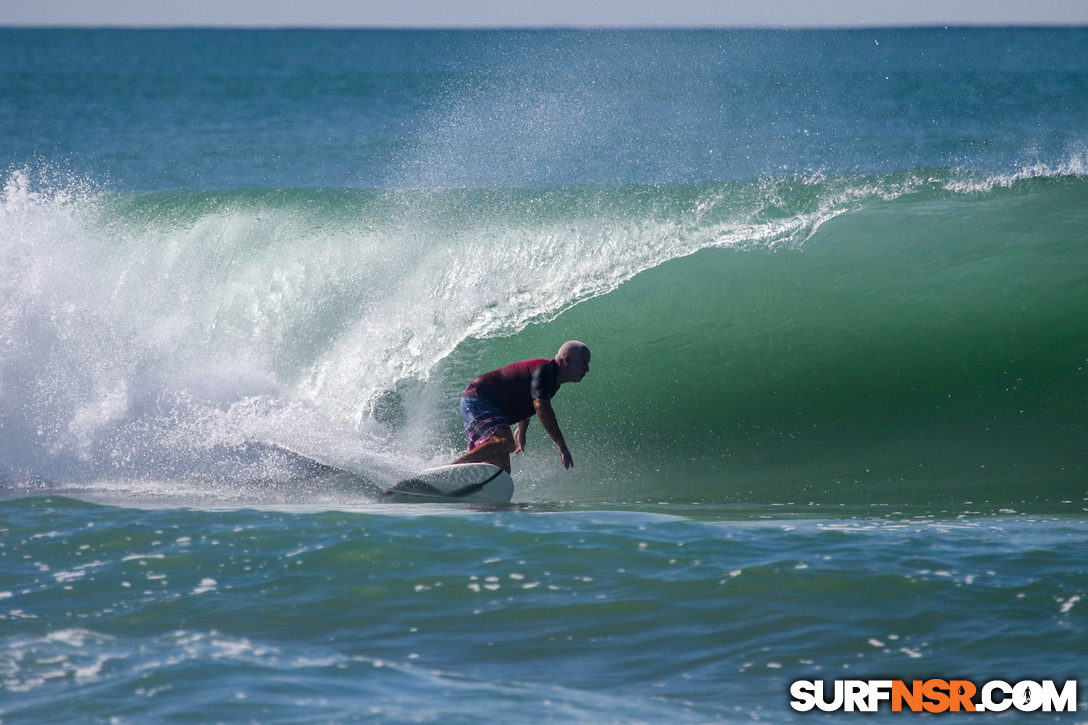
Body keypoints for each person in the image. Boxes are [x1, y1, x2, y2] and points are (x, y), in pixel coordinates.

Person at [451, 341, 590, 474]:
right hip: (480, 398)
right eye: (583, 363)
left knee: (500, 472)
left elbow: (525, 400)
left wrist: (521, 430)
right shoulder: (546, 370)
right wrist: (561, 445)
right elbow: (541, 406)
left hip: (488, 404)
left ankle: (465, 484)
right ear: (566, 360)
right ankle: (452, 469)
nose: (587, 369)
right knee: (505, 442)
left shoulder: (551, 380)